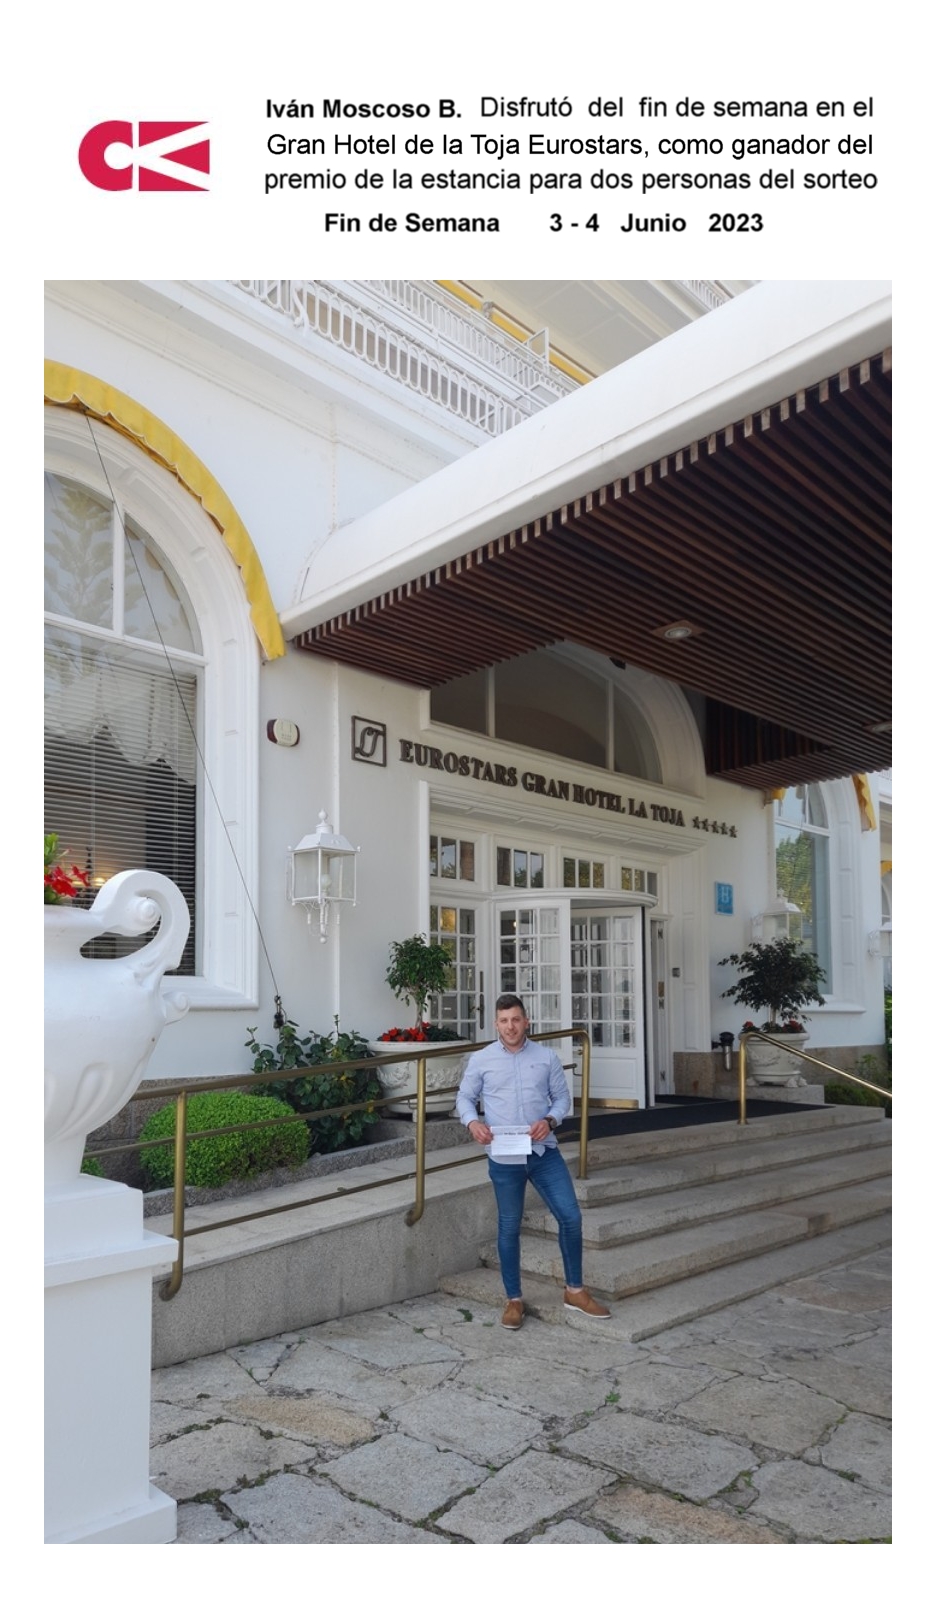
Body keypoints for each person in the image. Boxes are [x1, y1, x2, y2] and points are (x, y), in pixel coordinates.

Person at [456, 993, 611, 1330]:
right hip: (504, 1156)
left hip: (543, 1152)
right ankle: (513, 1300)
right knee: (509, 1226)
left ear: (526, 1021)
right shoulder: (481, 1060)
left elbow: (562, 1100)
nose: (510, 1026)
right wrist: (473, 1123)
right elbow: (464, 1098)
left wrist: (550, 1120)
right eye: (504, 1021)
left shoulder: (546, 1058)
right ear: (496, 1024)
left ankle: (575, 1291)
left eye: (516, 1019)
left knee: (570, 1216)